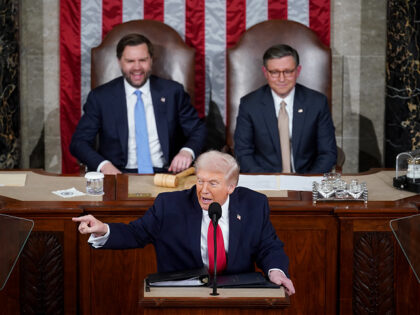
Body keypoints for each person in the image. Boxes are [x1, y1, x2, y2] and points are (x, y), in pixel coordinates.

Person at [72, 150, 295, 295]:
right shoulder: (170, 205)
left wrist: (277, 272)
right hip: (184, 294)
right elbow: (137, 233)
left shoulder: (253, 205)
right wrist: (103, 230)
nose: (204, 190)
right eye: (200, 181)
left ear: (231, 186)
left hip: (237, 292)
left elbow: (269, 246)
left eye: (213, 183)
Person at [70, 33, 206, 175]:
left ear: (151, 60)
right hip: (118, 174)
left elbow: (198, 129)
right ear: (119, 61)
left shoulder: (172, 92)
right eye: (130, 61)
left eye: (142, 60)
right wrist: (104, 166)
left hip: (166, 174)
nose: (137, 67)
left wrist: (186, 152)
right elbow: (79, 142)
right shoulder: (101, 97)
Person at [234, 44, 337, 173]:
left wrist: (307, 182)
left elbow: (327, 152)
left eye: (288, 72)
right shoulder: (249, 105)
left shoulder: (317, 103)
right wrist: (266, 183)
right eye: (274, 72)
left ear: (298, 71)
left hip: (306, 180)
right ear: (265, 73)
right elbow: (243, 153)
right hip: (265, 181)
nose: (281, 79)